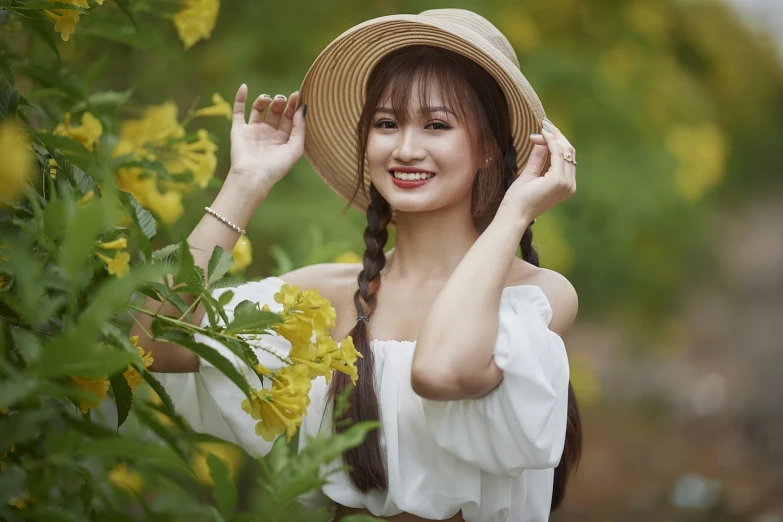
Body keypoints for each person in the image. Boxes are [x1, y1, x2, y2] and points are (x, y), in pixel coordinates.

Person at [135, 8, 582, 522]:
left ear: (487, 149)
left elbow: (441, 370)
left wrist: (515, 210)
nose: (406, 148)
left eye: (437, 125)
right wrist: (245, 183)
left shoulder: (535, 296)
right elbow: (156, 344)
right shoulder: (324, 296)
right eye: (387, 124)